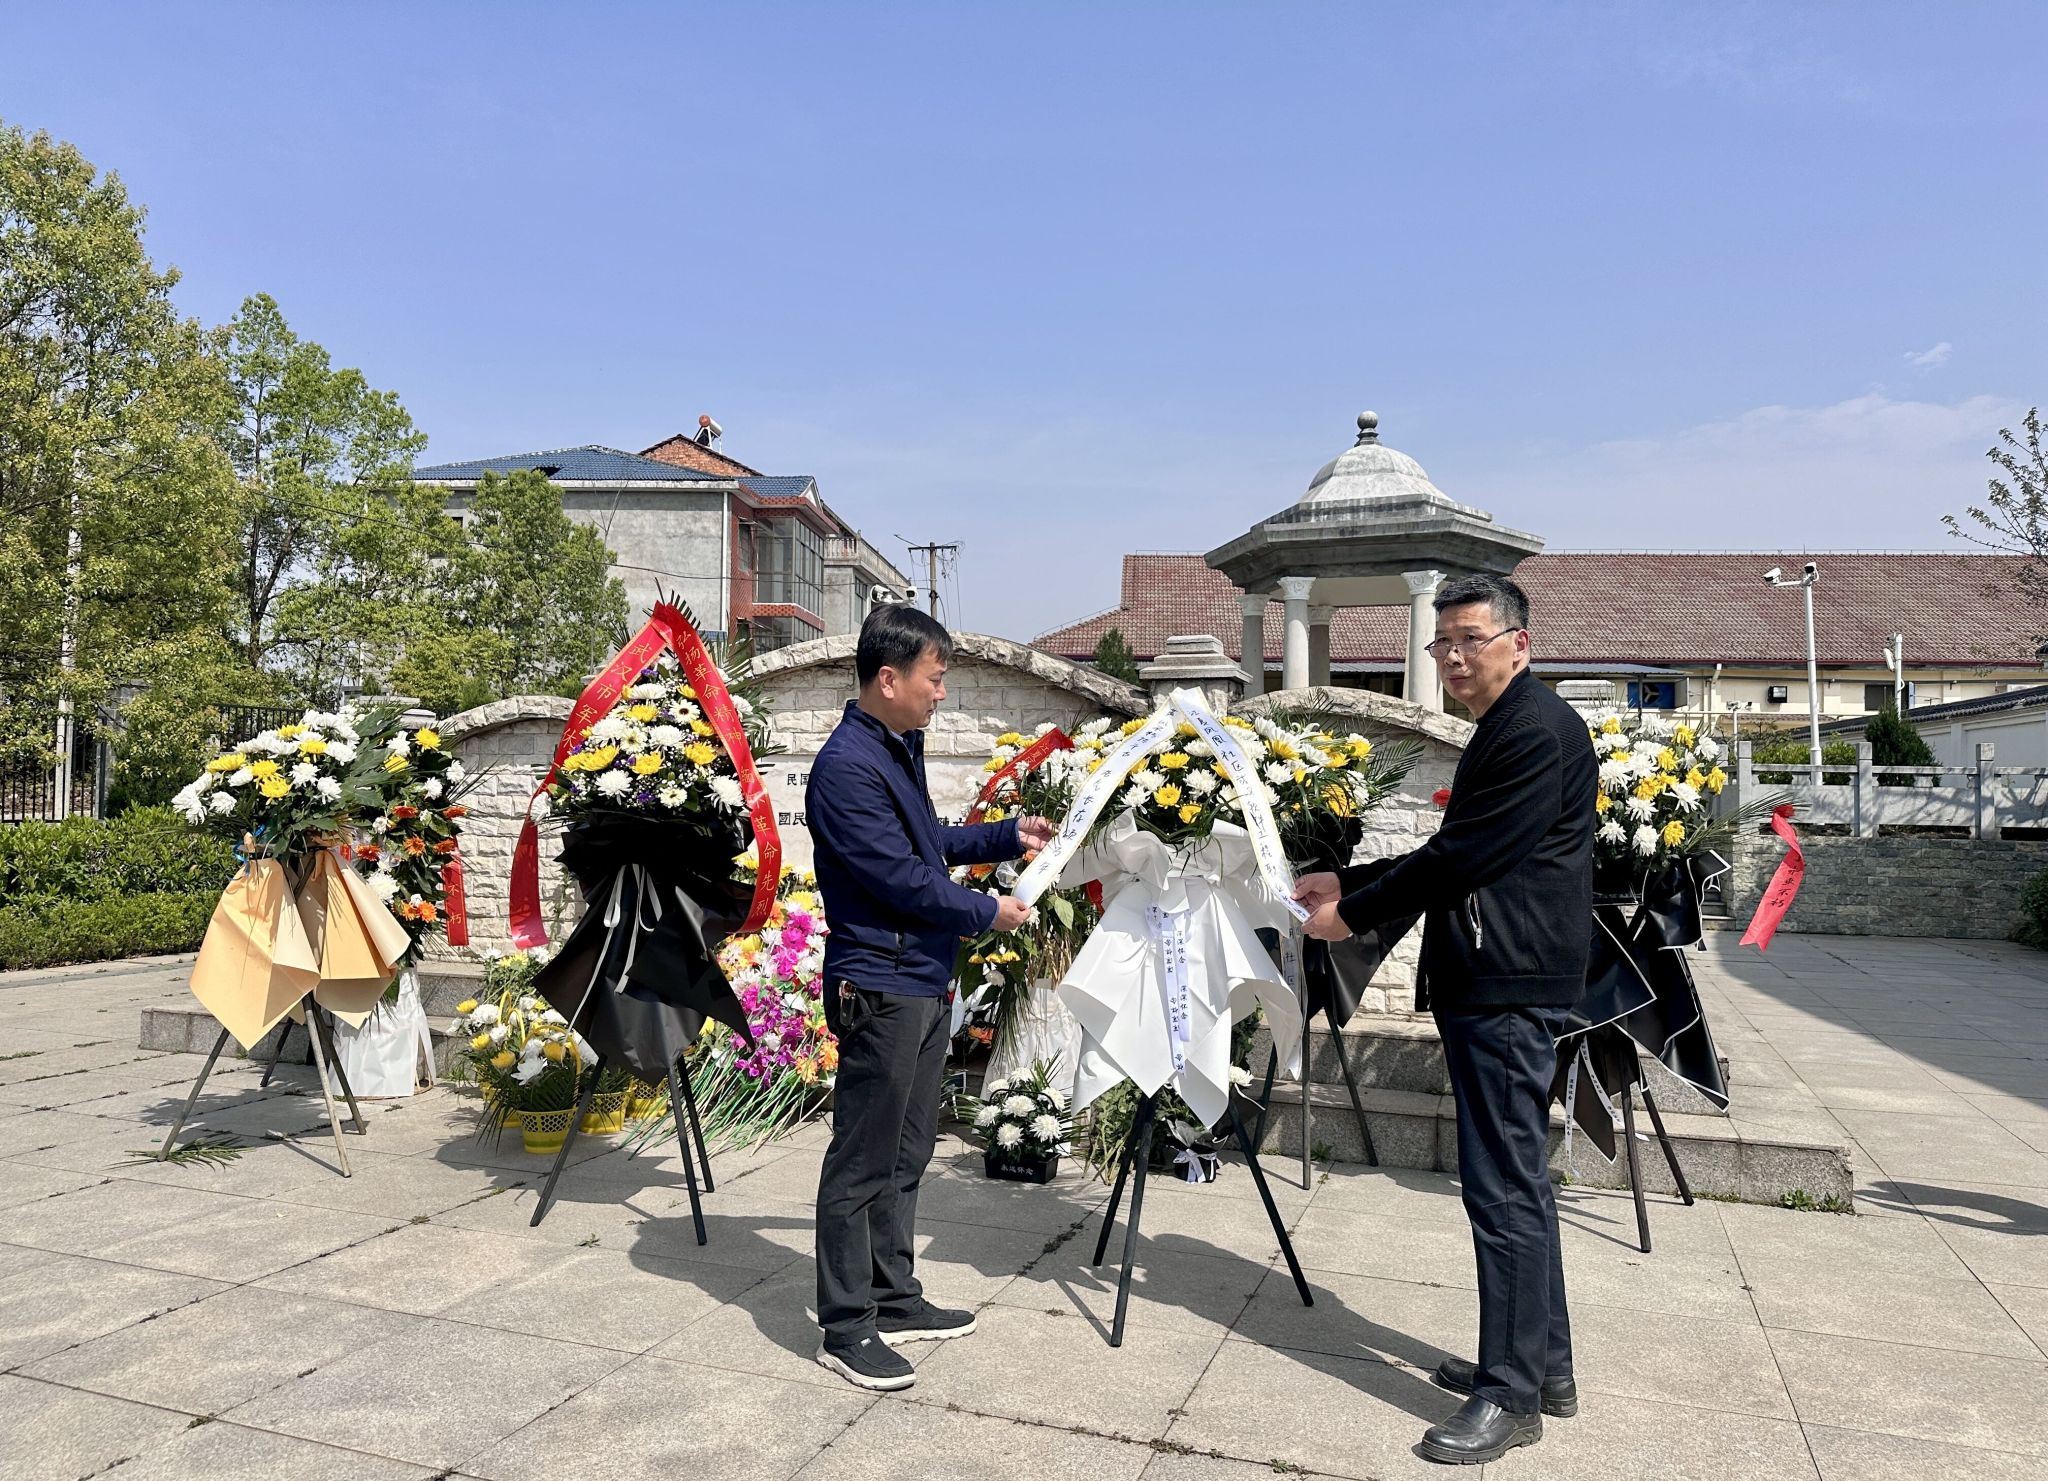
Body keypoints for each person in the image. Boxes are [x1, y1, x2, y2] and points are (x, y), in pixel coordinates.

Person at [1293, 572, 1595, 1466]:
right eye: (1443, 642)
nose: (1455, 656)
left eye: (1471, 639)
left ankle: (1511, 1394)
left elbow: (1464, 855)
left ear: (1519, 644)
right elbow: (1453, 847)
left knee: (1501, 1188)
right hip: (1498, 974)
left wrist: (1351, 915)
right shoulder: (1510, 725)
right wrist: (1351, 879)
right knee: (1516, 1180)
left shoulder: (1532, 730)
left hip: (1506, 983)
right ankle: (1543, 1367)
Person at [805, 603, 1052, 1392]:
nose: (941, 693)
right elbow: (901, 878)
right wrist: (986, 910)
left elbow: (928, 840)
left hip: (919, 977)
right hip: (879, 982)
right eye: (934, 678)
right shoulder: (847, 766)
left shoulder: (895, 747)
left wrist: (1003, 835)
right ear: (890, 677)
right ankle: (846, 1324)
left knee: (909, 1150)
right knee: (862, 1158)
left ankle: (892, 1292)